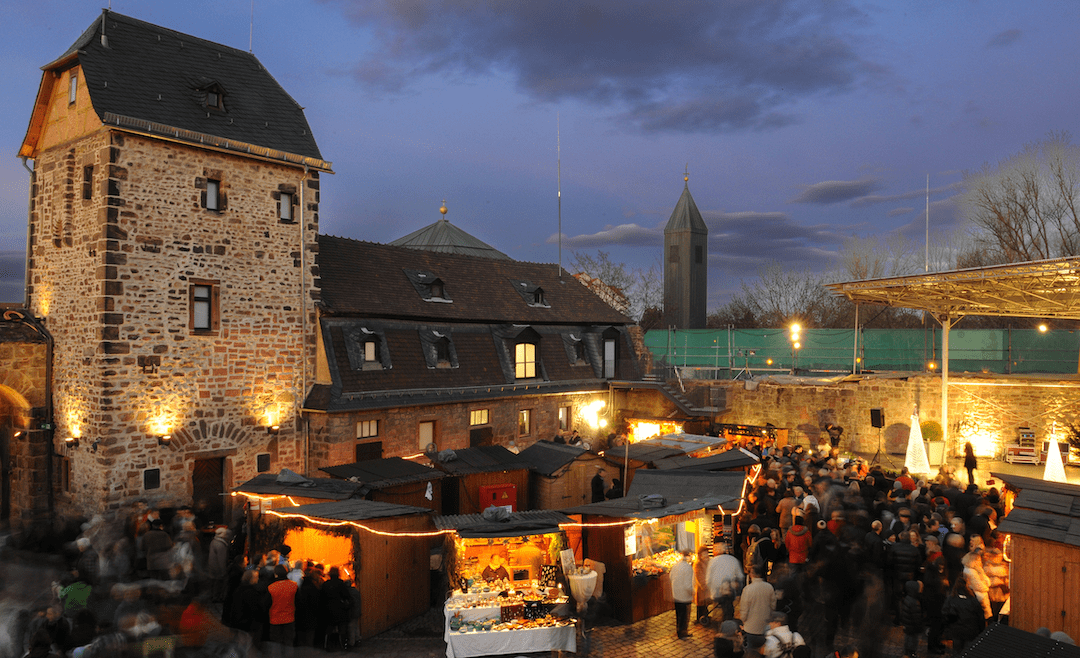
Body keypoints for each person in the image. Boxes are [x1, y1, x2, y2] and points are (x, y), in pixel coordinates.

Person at [706, 543, 743, 622]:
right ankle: (729, 622)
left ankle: (723, 624)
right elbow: (740, 576)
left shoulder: (713, 561)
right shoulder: (733, 560)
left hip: (717, 592)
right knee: (729, 608)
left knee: (720, 611)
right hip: (730, 591)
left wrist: (710, 590)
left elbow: (708, 579)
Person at [739, 568, 775, 644]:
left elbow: (744, 608)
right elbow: (773, 605)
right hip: (765, 624)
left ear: (751, 574)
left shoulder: (748, 589)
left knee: (751, 646)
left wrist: (743, 620)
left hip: (750, 626)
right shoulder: (769, 587)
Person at [267, 564, 298, 654]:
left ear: (276, 574)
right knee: (289, 642)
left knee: (276, 644)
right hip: (289, 618)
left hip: (275, 619)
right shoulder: (294, 585)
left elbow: (266, 603)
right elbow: (298, 602)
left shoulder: (271, 587)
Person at [670, 551, 694, 639]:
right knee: (685, 615)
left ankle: (679, 631)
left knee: (678, 614)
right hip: (684, 595)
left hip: (676, 594)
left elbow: (670, 577)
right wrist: (692, 592)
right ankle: (683, 632)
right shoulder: (688, 568)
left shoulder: (676, 565)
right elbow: (688, 584)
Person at [695, 546, 712, 624]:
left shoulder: (708, 562)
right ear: (700, 555)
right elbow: (699, 576)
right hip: (702, 588)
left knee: (705, 604)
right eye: (704, 554)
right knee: (701, 604)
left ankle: (704, 616)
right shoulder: (698, 564)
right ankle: (700, 619)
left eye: (706, 553)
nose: (706, 555)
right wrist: (704, 586)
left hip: (707, 586)